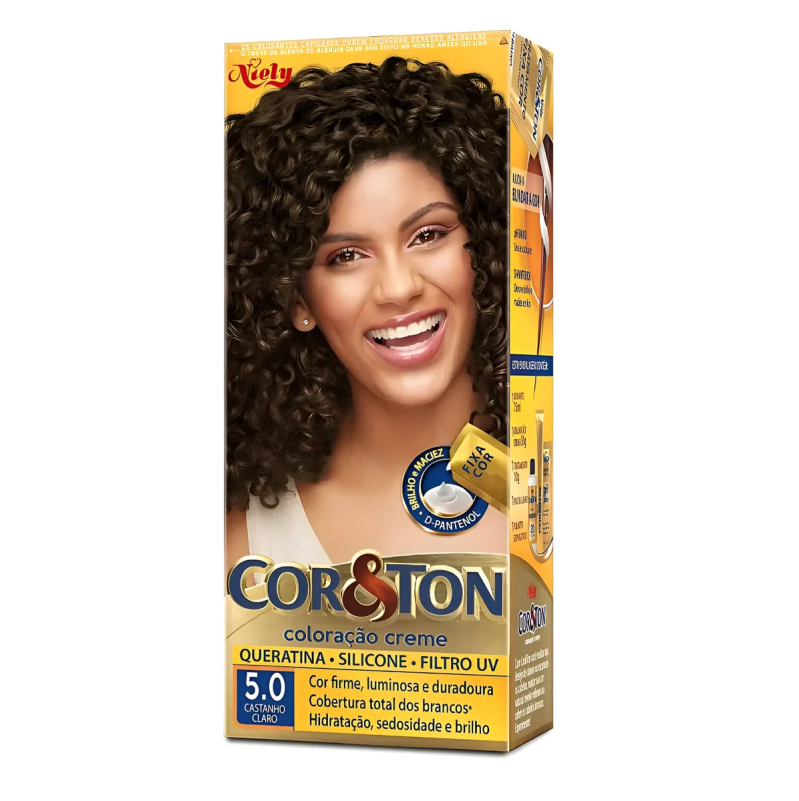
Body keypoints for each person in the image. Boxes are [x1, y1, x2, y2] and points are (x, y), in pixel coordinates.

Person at [225, 56, 508, 575]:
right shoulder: (239, 545)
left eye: (428, 235)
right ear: (298, 300)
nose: (398, 288)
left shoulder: (544, 508)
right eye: (346, 256)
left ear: (488, 248)